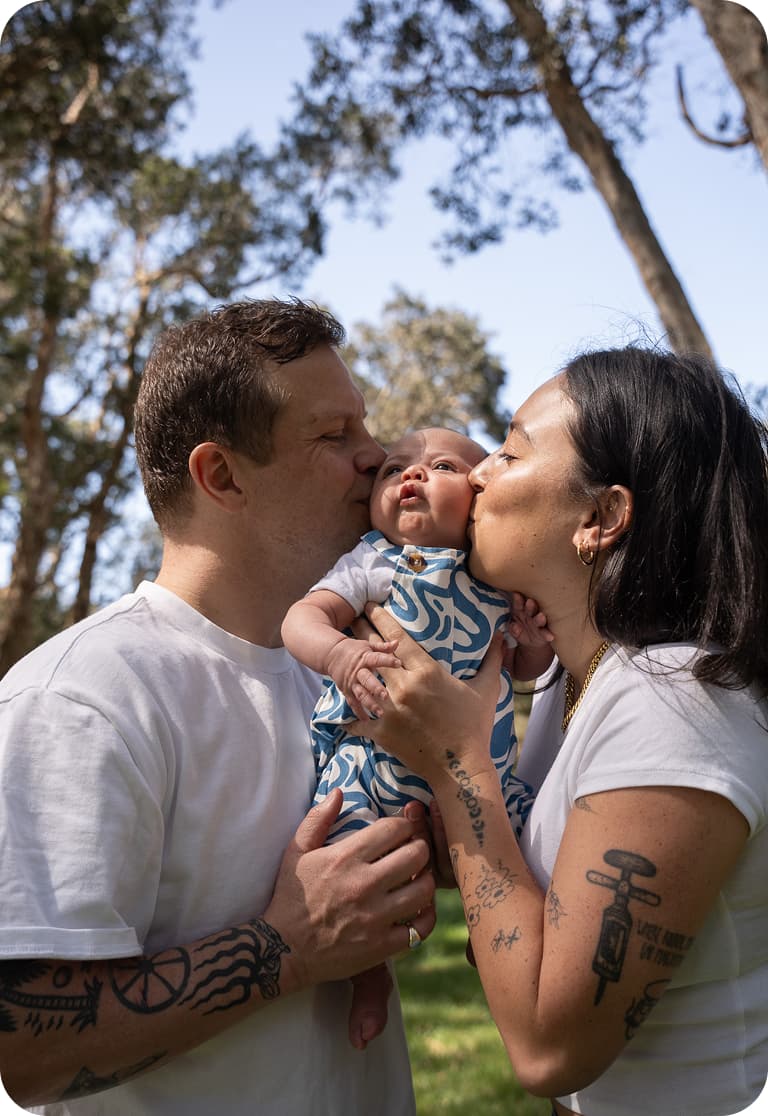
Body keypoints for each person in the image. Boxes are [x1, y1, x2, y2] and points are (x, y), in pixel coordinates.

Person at [0, 298, 438, 1115]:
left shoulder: (346, 672)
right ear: (222, 476)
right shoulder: (81, 699)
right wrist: (288, 948)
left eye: (365, 427)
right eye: (333, 434)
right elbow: (26, 1050)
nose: (376, 456)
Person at [348, 347, 768, 1116]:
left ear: (601, 518)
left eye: (508, 453)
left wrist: (455, 761)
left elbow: (550, 1049)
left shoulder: (675, 700)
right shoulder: (569, 684)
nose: (476, 475)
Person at [282, 426, 553, 1050]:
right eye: (393, 468)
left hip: (481, 777)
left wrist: (535, 642)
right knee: (348, 855)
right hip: (371, 767)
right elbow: (302, 618)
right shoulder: (374, 560)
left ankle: (506, 948)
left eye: (442, 466)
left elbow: (522, 668)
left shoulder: (496, 575)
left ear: (480, 497)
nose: (411, 474)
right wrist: (340, 654)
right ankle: (369, 973)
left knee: (532, 843)